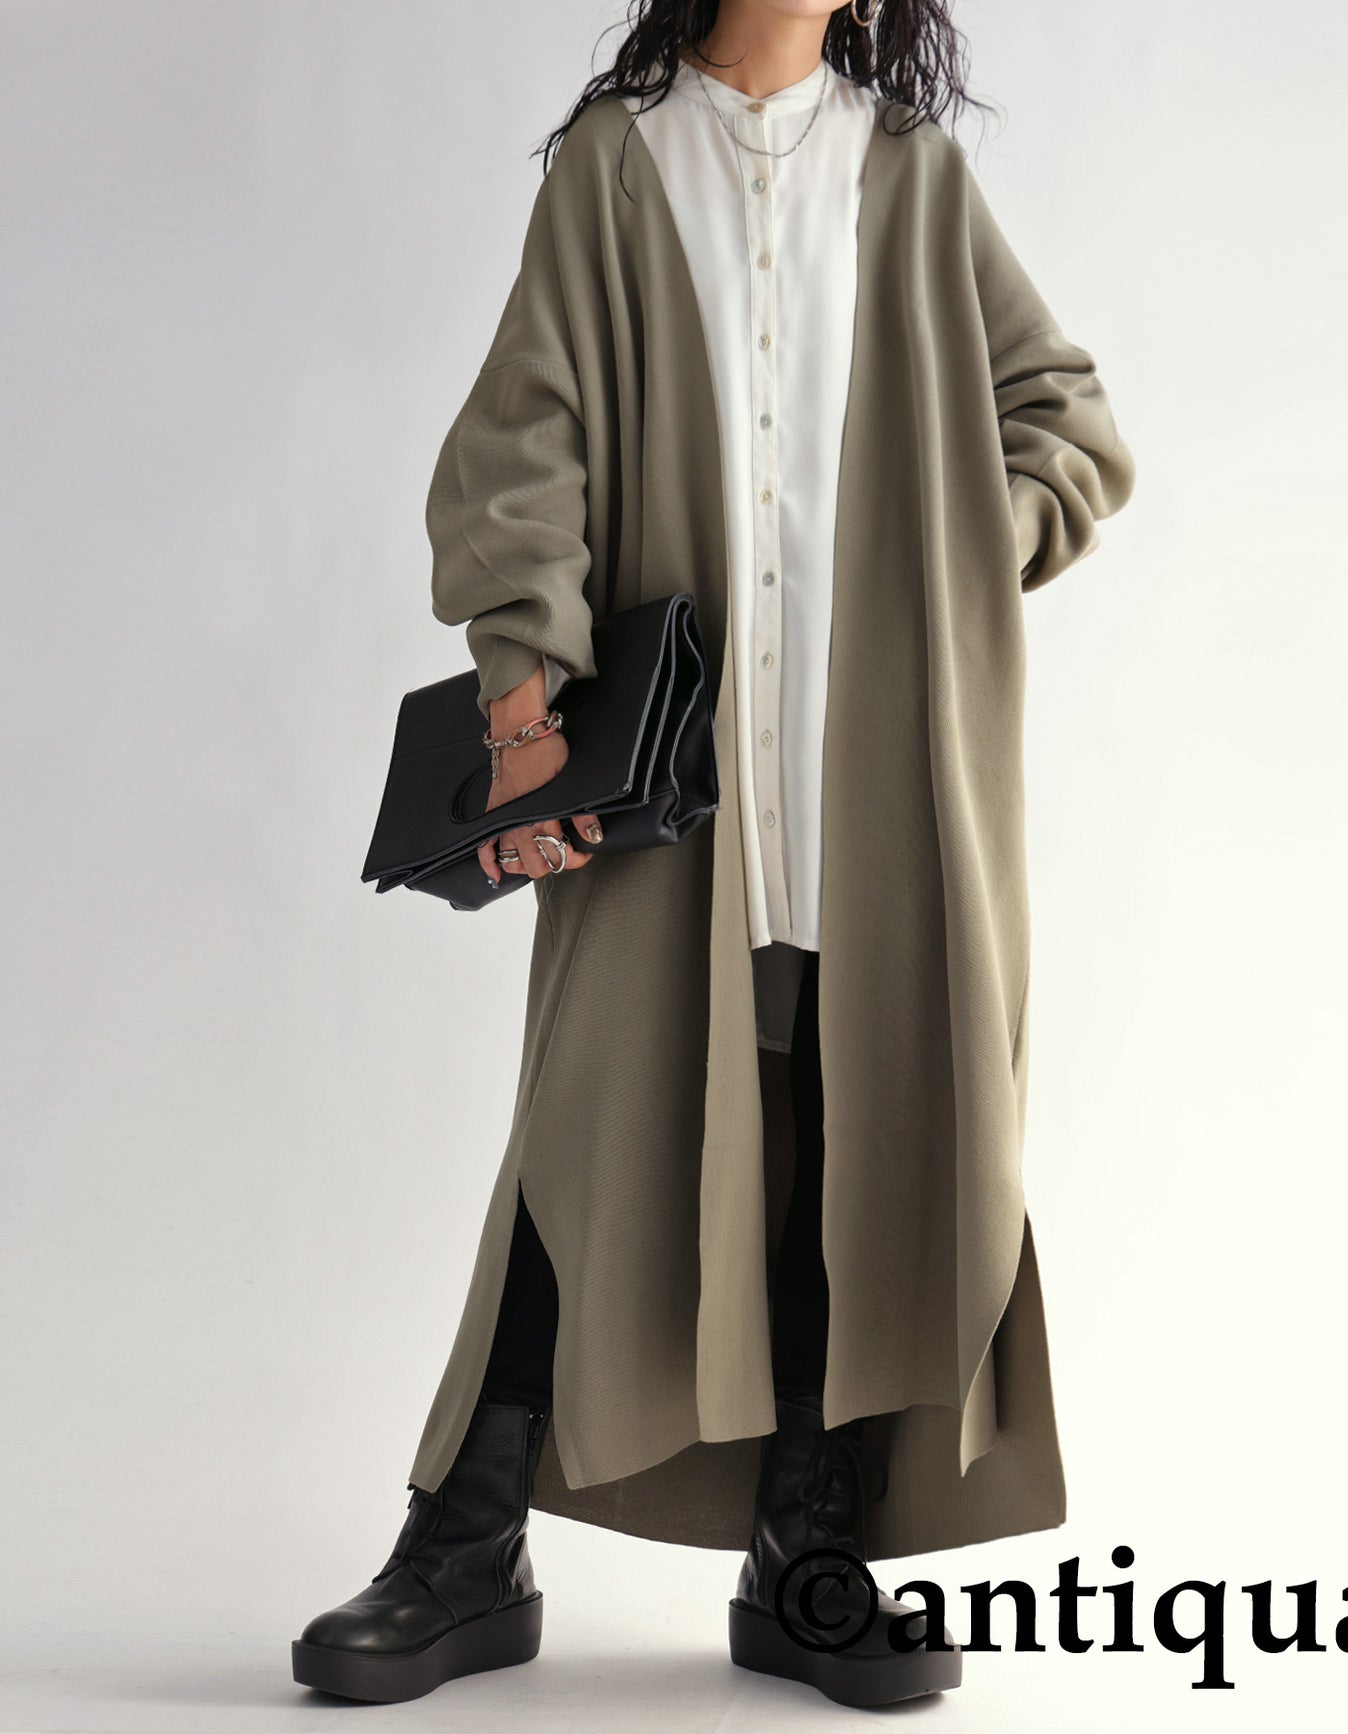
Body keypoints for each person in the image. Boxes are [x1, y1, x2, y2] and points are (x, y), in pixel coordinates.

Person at [292, 0, 1136, 1711]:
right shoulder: (618, 164)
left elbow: (1061, 414)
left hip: (882, 775)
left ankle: (805, 1549)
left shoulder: (908, 175)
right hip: (665, 770)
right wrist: (521, 679)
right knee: (585, 1122)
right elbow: (526, 434)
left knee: (846, 1128)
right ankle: (466, 1540)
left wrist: (968, 540)